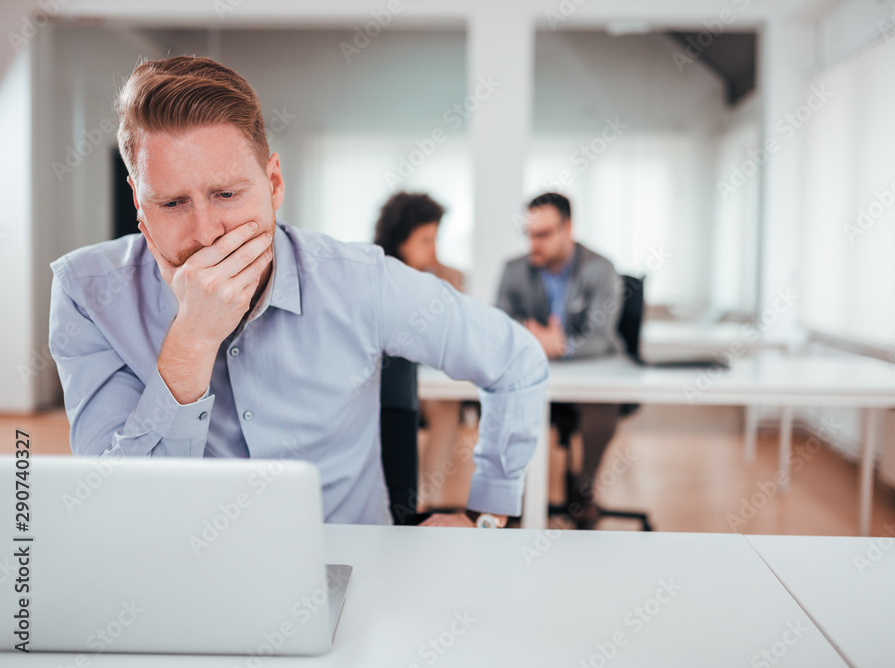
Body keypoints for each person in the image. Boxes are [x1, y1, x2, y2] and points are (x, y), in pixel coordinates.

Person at [47, 56, 548, 530]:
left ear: (274, 182)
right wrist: (192, 341)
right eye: (173, 202)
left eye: (227, 194)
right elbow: (116, 514)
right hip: (179, 576)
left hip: (351, 568)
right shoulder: (86, 294)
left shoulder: (359, 281)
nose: (206, 234)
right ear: (139, 202)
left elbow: (516, 361)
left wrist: (489, 510)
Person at [496, 192, 623, 528]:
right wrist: (532, 337)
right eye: (529, 234)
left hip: (588, 375)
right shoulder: (514, 270)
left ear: (568, 229)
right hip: (531, 374)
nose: (533, 244)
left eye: (543, 235)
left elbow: (603, 336)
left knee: (601, 408)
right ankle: (514, 497)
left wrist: (562, 346)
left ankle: (584, 489)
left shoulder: (601, 269)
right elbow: (499, 326)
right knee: (505, 401)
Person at [373, 192, 467, 510]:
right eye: (426, 240)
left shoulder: (433, 278)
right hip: (387, 381)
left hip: (424, 378)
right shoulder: (378, 275)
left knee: (446, 405)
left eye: (435, 238)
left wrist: (452, 288)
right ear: (401, 241)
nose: (434, 250)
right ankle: (414, 498)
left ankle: (427, 498)